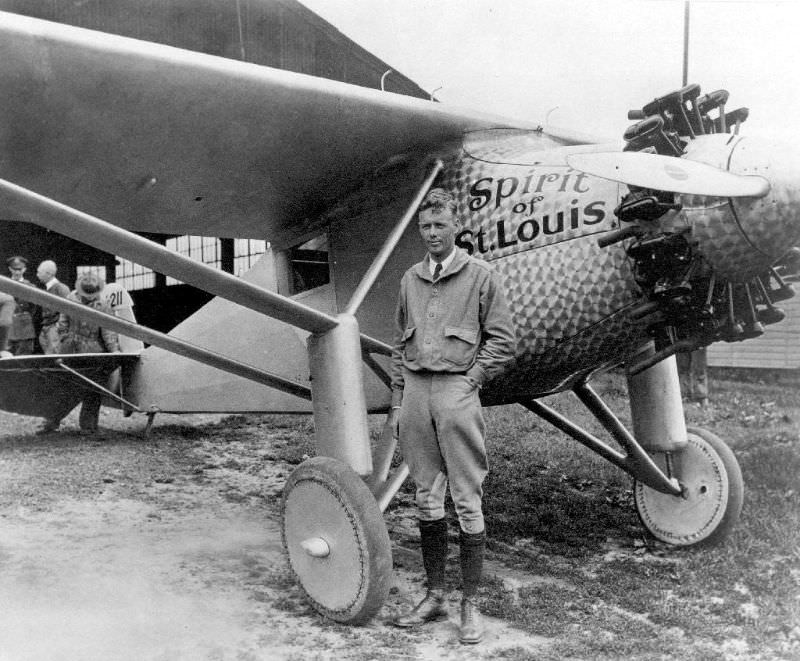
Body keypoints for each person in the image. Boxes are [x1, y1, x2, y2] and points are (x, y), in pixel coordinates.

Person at [389, 188, 516, 644]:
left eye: (440, 225)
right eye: (425, 227)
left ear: (455, 227)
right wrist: (398, 397)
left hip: (457, 391)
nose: (433, 234)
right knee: (426, 495)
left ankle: (470, 604)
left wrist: (472, 379)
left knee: (466, 498)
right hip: (417, 394)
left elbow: (502, 341)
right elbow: (400, 344)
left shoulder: (481, 276)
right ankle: (435, 594)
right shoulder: (410, 279)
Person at [38, 272, 121, 434]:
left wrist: (114, 352)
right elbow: (62, 324)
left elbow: (108, 331)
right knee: (66, 387)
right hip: (71, 350)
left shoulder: (103, 305)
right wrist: (64, 342)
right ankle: (50, 422)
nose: (89, 298)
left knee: (94, 390)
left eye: (92, 295)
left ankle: (88, 427)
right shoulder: (70, 299)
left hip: (94, 352)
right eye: (86, 295)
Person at [36, 260, 71, 354]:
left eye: (39, 272)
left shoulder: (61, 288)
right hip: (47, 328)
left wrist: (58, 328)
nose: (37, 275)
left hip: (54, 329)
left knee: (55, 357)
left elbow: (68, 309)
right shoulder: (48, 288)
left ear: (48, 274)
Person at [6, 256, 37, 355]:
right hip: (7, 328)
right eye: (14, 269)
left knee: (24, 359)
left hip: (25, 330)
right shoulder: (3, 286)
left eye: (20, 269)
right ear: (10, 269)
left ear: (24, 269)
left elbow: (33, 308)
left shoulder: (30, 287)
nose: (17, 272)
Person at [0, 292, 15, 358]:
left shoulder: (7, 299)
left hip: (5, 299)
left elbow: (5, 323)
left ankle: (2, 349)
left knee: (4, 323)